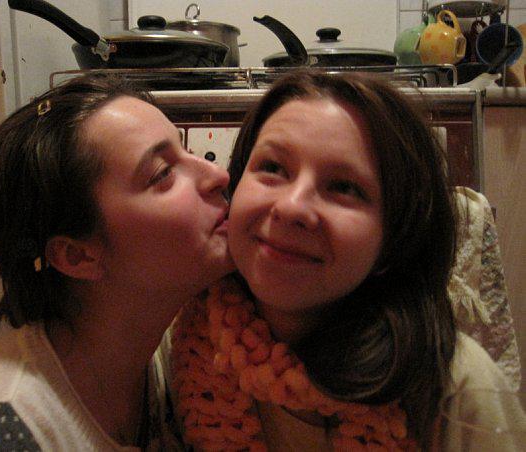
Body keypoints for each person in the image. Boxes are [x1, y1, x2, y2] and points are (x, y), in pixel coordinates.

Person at [169, 70, 525, 451]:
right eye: (272, 168)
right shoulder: (182, 347)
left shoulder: (458, 390)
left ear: (395, 236)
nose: (292, 207)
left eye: (343, 187)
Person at [0, 74, 233, 451]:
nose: (218, 175)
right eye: (162, 173)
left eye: (185, 152)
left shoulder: (181, 353)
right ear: (77, 255)